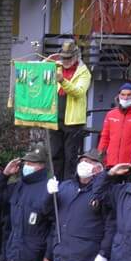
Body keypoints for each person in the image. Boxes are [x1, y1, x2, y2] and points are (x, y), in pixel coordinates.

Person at [47, 41, 92, 181]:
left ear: (75, 57)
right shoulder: (57, 67)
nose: (65, 61)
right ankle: (55, 186)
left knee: (70, 158)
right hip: (54, 119)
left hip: (73, 122)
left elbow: (78, 92)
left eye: (68, 58)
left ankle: (68, 189)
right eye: (63, 57)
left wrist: (63, 81)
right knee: (55, 155)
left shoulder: (84, 72)